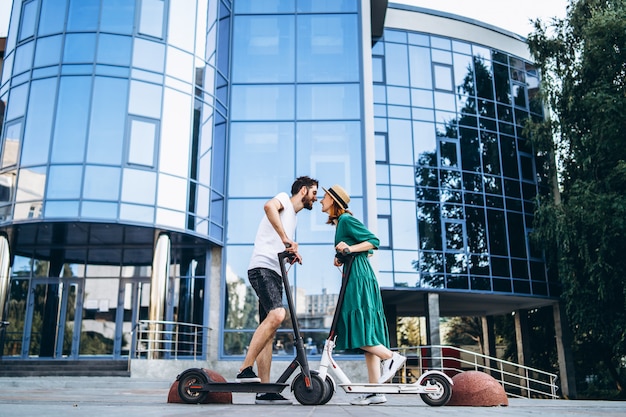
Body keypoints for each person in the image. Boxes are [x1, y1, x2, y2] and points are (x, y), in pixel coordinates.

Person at [235, 176, 319, 405]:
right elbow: (268, 206)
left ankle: (265, 389)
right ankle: (245, 368)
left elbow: (280, 242)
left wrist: (291, 252)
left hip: (274, 271)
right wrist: (285, 239)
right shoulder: (284, 200)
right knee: (278, 314)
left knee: (269, 332)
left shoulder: (293, 219)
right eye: (314, 193)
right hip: (262, 267)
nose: (316, 198)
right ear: (303, 191)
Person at [320, 184, 406, 406]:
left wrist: (348, 250)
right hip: (355, 274)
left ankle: (392, 357)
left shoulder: (347, 220)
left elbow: (373, 241)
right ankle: (376, 391)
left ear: (333, 200)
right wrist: (341, 256)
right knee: (367, 331)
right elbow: (357, 247)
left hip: (358, 278)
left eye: (324, 197)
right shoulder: (340, 225)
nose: (321, 200)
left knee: (358, 330)